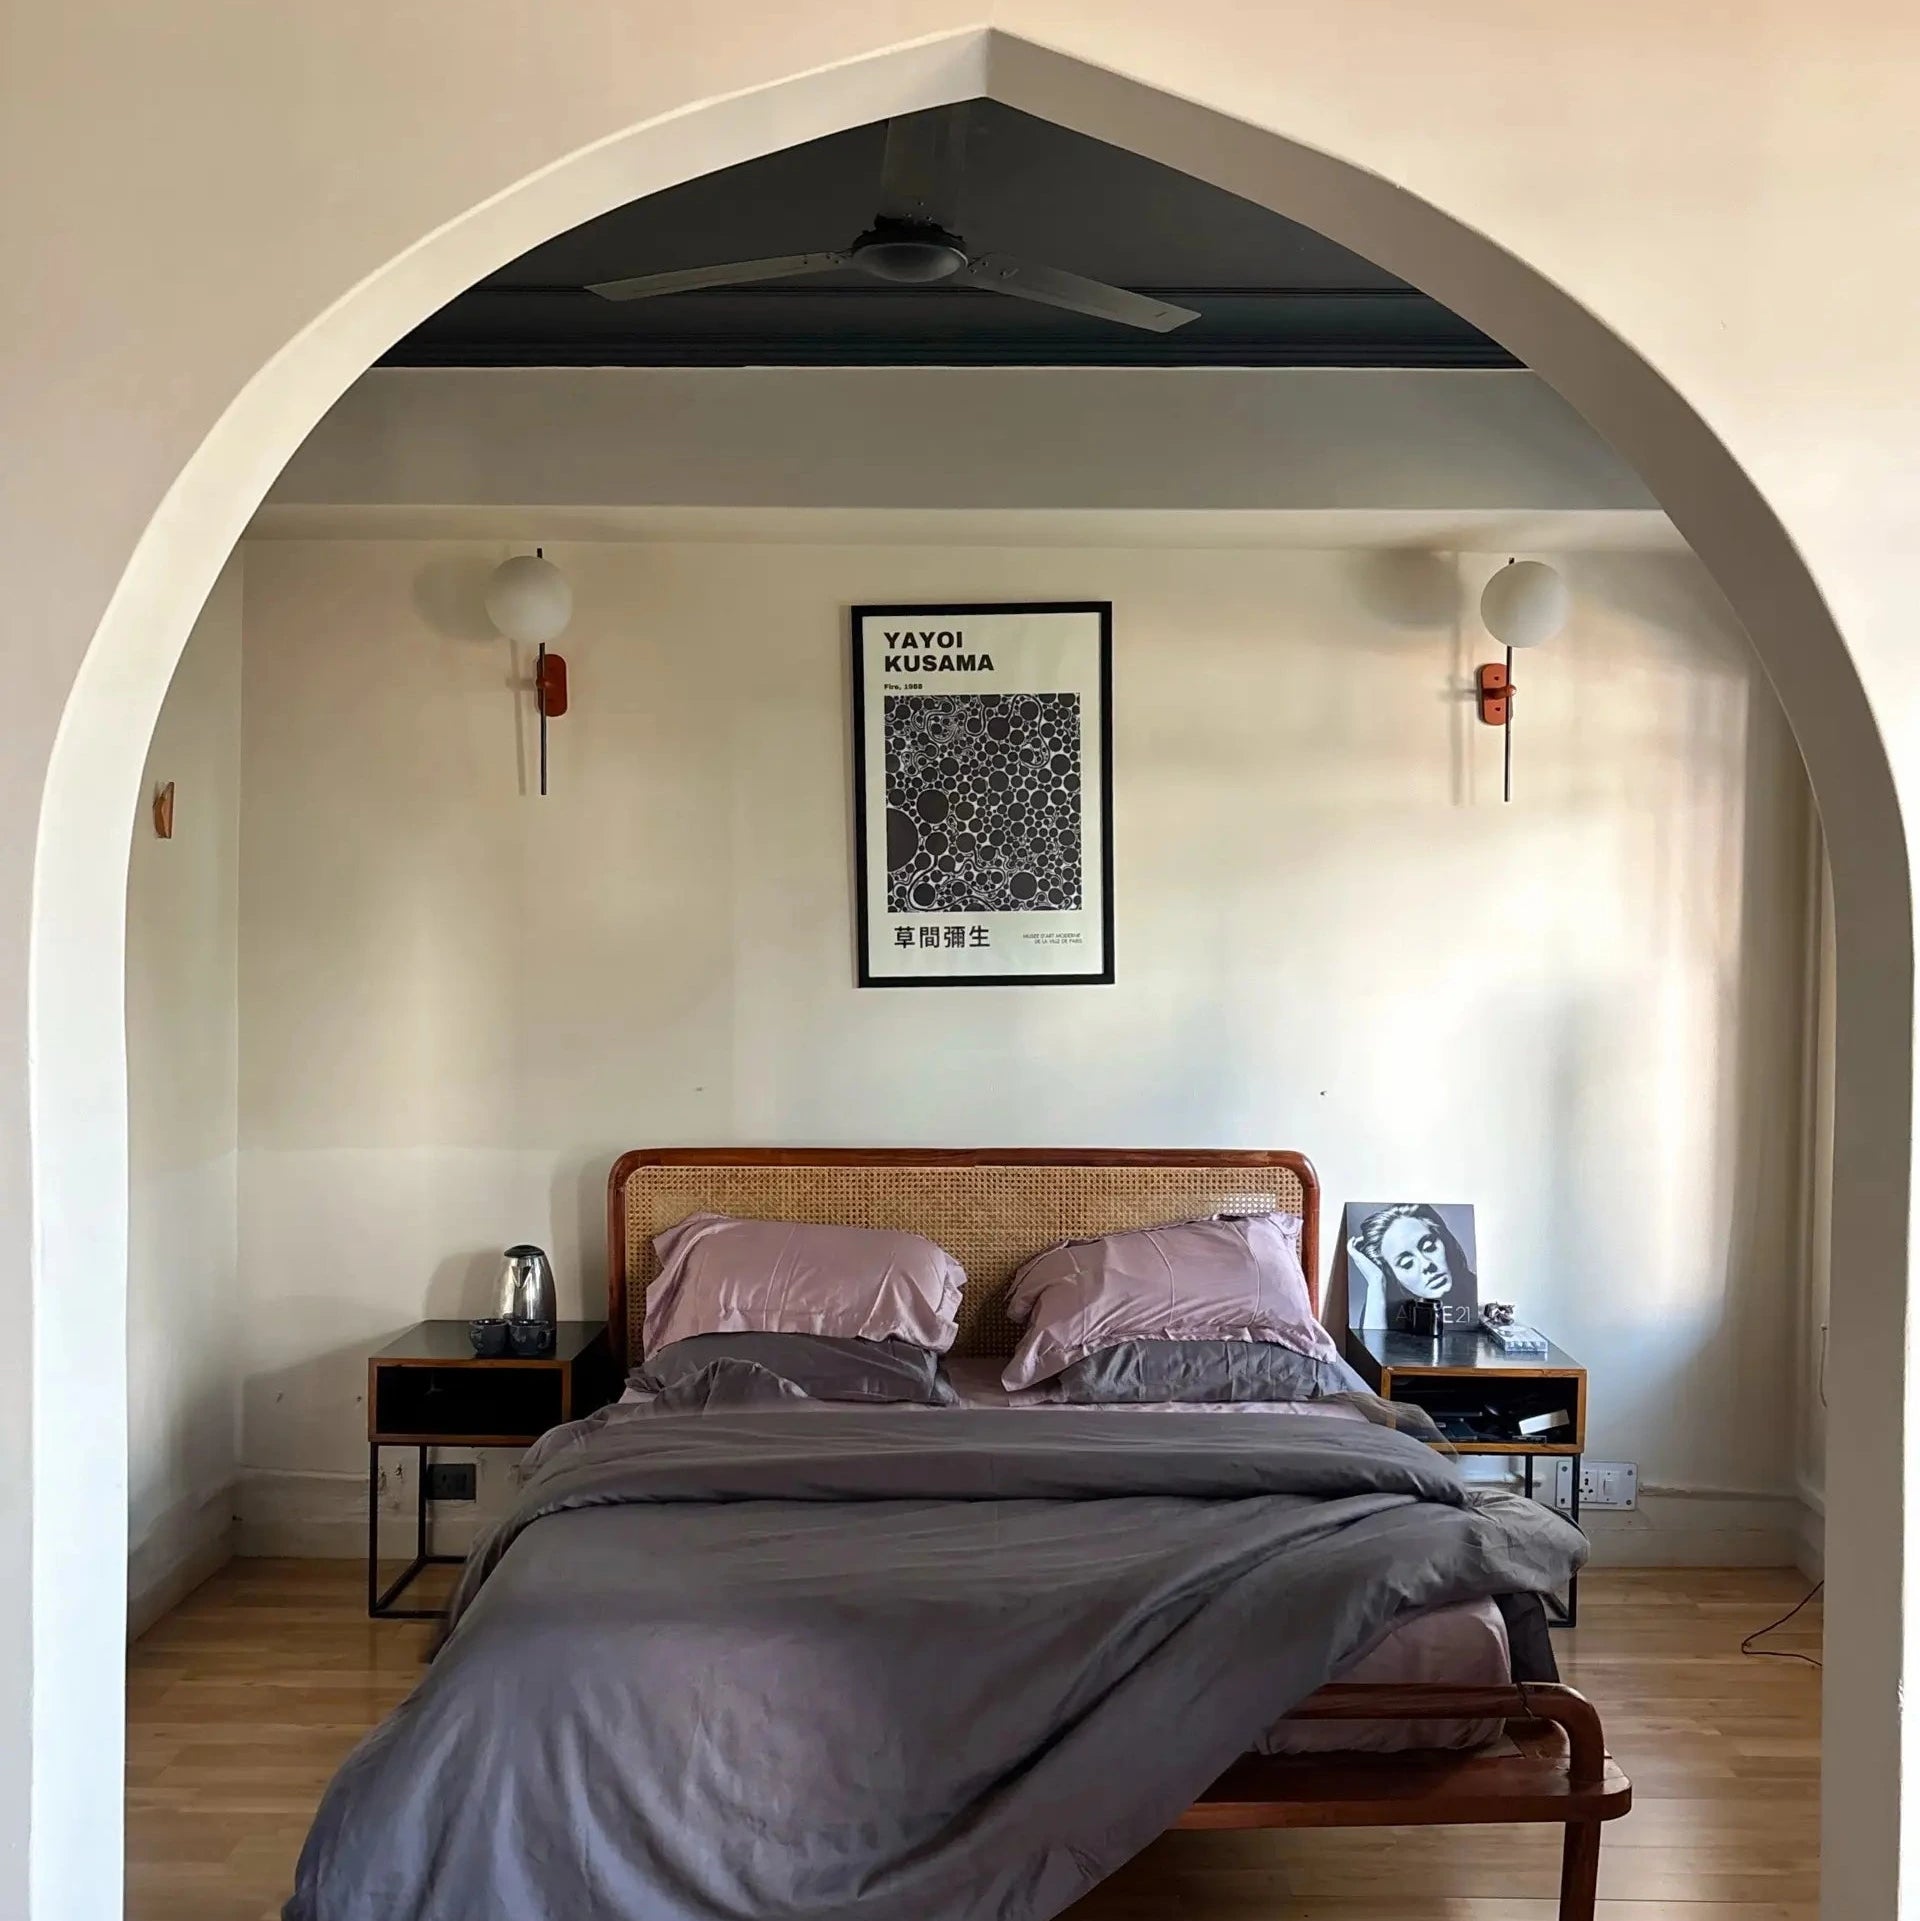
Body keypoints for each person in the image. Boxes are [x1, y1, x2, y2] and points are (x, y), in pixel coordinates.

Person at [1348, 1202, 1477, 1329]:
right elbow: (1371, 1348)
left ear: (1445, 1241)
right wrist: (1376, 1280)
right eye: (1407, 1264)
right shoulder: (1383, 1308)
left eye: (1430, 1247)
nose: (1427, 1265)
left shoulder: (1476, 1296)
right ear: (1392, 1274)